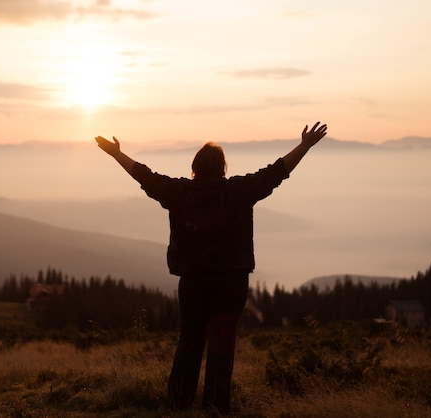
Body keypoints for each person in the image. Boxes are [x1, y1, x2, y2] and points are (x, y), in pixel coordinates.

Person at [95, 121, 327, 414]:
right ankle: (215, 408)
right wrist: (305, 145)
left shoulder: (178, 192)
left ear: (194, 167)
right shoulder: (240, 191)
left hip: (193, 280)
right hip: (232, 281)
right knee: (222, 344)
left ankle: (178, 405)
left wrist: (117, 154)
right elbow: (278, 171)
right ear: (223, 168)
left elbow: (145, 176)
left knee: (190, 340)